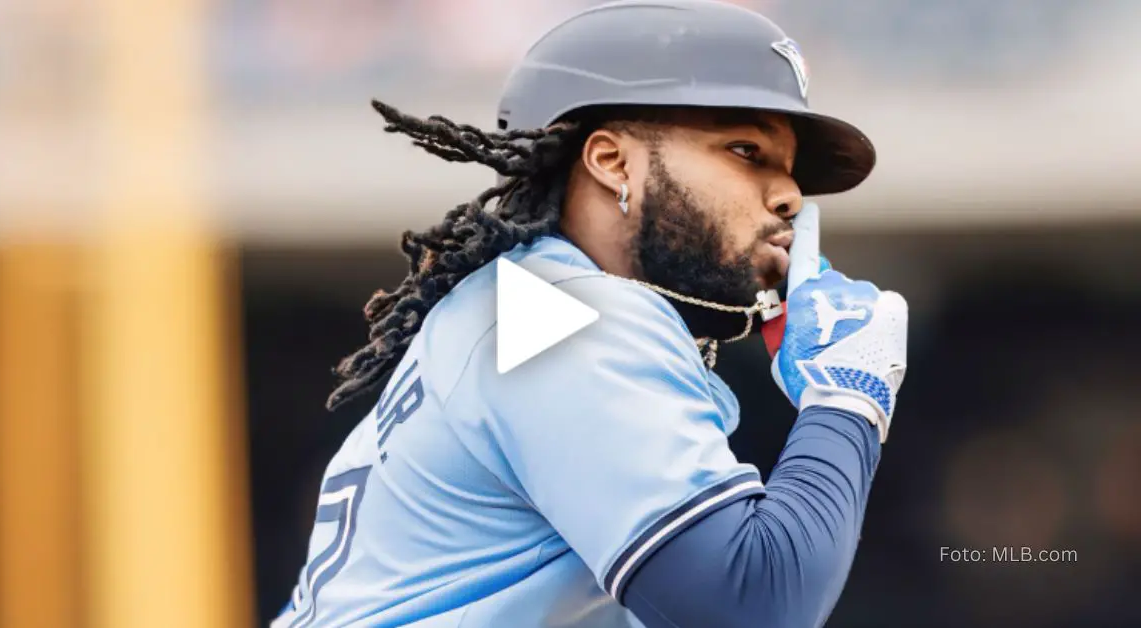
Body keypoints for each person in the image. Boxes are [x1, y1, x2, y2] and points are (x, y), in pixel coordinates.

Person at [273, 1, 908, 626]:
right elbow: (756, 604)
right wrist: (847, 398)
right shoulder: (559, 318)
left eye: (790, 170)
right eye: (746, 150)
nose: (790, 195)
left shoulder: (525, 302)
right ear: (612, 162)